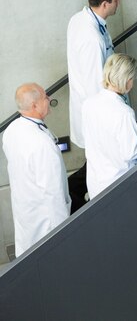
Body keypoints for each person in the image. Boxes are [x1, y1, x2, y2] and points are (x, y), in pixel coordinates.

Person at [67, 0, 121, 209]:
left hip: (89, 106)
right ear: (106, 3)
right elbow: (93, 84)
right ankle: (74, 196)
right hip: (94, 112)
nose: (119, 4)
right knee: (99, 164)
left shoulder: (80, 19)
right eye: (117, 0)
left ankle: (76, 196)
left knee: (97, 163)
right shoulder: (91, 39)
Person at [2, 83, 71, 257]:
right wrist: (65, 231)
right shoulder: (41, 143)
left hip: (26, 212)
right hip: (46, 220)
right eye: (45, 97)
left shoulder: (11, 131)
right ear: (34, 106)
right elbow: (52, 191)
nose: (49, 99)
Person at [82, 53, 137, 200]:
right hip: (119, 183)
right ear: (126, 79)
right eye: (132, 79)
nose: (132, 84)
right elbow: (131, 154)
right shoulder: (124, 113)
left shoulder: (89, 103)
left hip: (96, 182)